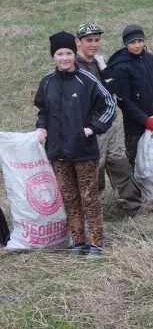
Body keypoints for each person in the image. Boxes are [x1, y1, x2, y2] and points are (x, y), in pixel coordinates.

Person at [35, 31, 116, 257]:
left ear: (74, 52)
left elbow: (109, 106)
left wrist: (92, 128)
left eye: (68, 53)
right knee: (69, 198)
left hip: (83, 151)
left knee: (89, 197)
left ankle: (97, 243)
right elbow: (43, 110)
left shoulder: (87, 80)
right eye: (59, 54)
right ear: (53, 56)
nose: (64, 58)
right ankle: (78, 241)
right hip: (58, 152)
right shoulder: (47, 81)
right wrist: (42, 128)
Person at [74, 23, 142, 216]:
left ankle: (131, 205)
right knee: (94, 167)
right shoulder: (74, 67)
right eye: (89, 40)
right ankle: (92, 210)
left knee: (120, 163)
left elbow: (115, 90)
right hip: (92, 126)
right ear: (78, 42)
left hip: (113, 123)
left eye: (96, 40)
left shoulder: (100, 63)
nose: (94, 44)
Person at [106, 24, 153, 168]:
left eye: (140, 41)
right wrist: (145, 120)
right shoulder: (120, 67)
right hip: (135, 128)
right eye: (132, 42)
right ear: (126, 44)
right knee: (139, 164)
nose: (137, 45)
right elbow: (124, 101)